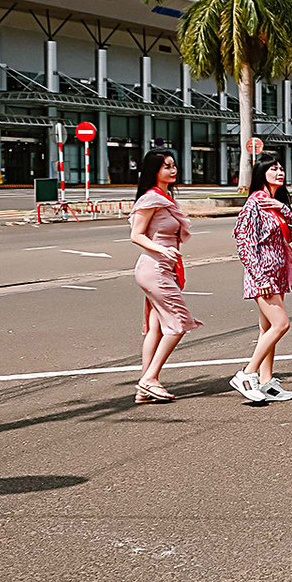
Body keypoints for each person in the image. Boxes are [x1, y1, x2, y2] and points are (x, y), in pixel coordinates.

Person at [230, 153, 292, 403]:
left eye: (281, 169)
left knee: (268, 327)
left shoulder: (273, 202)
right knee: (281, 324)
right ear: (261, 174)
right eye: (273, 169)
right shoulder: (254, 203)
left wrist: (283, 209)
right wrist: (260, 277)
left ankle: (267, 381)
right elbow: (244, 242)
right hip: (263, 275)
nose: (279, 172)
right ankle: (246, 374)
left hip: (278, 273)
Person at [127, 148, 199, 403]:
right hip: (154, 269)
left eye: (173, 165)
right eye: (167, 166)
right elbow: (136, 235)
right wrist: (162, 249)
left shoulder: (165, 197)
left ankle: (143, 389)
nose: (173, 170)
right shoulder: (150, 199)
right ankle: (149, 379)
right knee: (179, 323)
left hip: (163, 268)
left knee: (156, 328)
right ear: (154, 170)